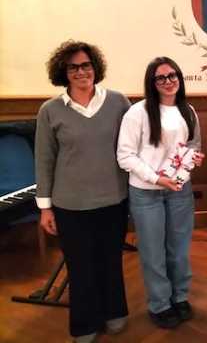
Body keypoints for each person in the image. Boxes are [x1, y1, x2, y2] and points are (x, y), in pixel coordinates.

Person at [35, 40, 131, 343]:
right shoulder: (50, 111)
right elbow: (44, 160)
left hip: (113, 200)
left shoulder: (118, 102)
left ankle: (114, 310)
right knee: (80, 267)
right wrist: (45, 208)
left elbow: (136, 143)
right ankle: (85, 323)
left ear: (95, 67)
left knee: (111, 260)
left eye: (85, 65)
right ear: (63, 72)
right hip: (70, 206)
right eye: (73, 67)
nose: (81, 72)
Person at [117, 57, 203, 328]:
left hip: (179, 190)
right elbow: (125, 156)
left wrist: (193, 159)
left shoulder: (188, 110)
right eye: (161, 78)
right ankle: (160, 304)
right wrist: (156, 178)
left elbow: (193, 145)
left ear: (179, 78)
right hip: (146, 193)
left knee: (179, 250)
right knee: (153, 253)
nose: (168, 81)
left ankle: (180, 296)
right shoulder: (137, 113)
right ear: (152, 83)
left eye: (172, 75)